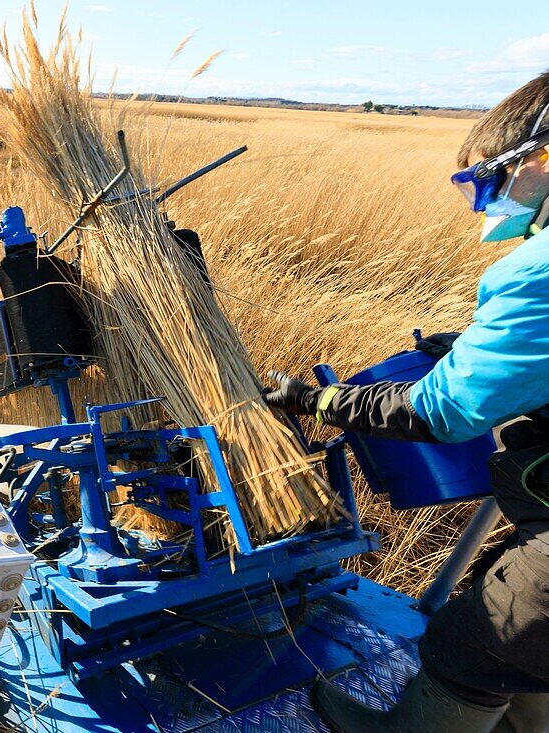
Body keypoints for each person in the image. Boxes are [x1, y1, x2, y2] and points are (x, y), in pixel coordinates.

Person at [264, 71, 549, 733]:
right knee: (528, 643)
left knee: (469, 639)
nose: (481, 205)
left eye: (486, 183)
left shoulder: (534, 270)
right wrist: (478, 347)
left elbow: (443, 413)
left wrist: (324, 399)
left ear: (542, 159)